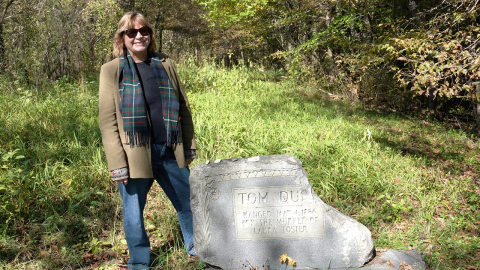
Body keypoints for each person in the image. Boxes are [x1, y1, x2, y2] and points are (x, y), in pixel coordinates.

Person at [98, 12, 197, 269]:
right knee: (133, 212)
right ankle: (139, 262)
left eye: (143, 31)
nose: (139, 36)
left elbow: (183, 107)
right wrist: (117, 164)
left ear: (150, 34)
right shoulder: (111, 70)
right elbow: (108, 121)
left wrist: (189, 146)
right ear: (122, 38)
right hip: (134, 155)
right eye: (131, 32)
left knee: (188, 201)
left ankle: (197, 247)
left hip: (169, 149)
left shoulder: (165, 63)